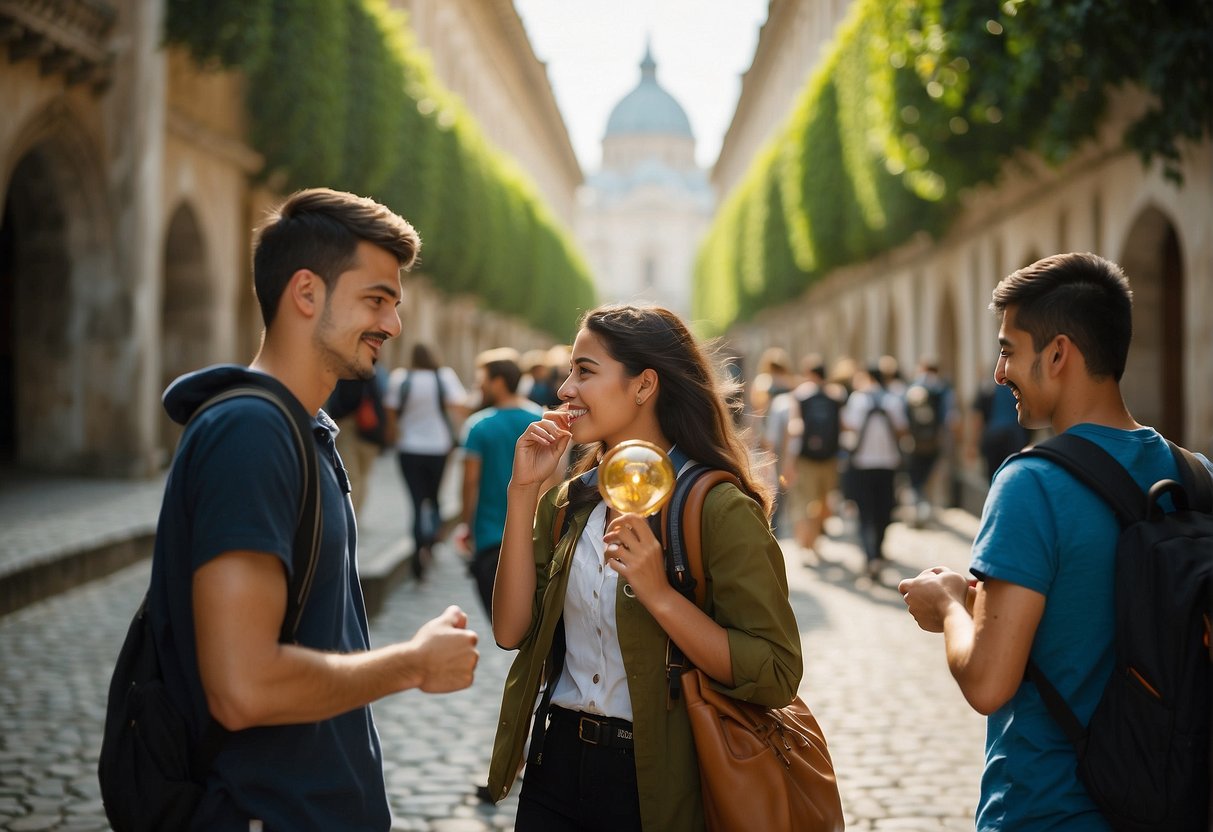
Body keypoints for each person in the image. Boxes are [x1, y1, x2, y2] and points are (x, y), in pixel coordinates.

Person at [151, 187, 479, 830]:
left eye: (394, 304)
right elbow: (242, 686)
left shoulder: (302, 430)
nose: (393, 324)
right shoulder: (252, 434)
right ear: (306, 293)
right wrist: (412, 663)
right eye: (376, 300)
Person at [898, 252, 1213, 830]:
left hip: (1048, 808)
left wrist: (946, 604)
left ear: (1059, 353)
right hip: (1176, 803)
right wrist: (985, 606)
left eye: (1008, 349)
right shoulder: (1196, 475)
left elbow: (990, 682)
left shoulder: (1031, 484)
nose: (998, 373)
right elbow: (1117, 605)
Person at [487, 304, 803, 831]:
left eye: (585, 372)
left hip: (659, 779)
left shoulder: (718, 508)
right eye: (570, 372)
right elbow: (509, 629)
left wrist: (660, 595)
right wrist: (523, 494)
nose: (565, 389)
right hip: (554, 768)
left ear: (643, 385)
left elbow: (775, 672)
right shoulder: (572, 500)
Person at [457, 350, 543, 616]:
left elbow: (470, 482)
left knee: (500, 621)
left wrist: (466, 524)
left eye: (482, 378)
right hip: (533, 534)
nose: (478, 385)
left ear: (498, 382)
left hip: (489, 535)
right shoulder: (541, 419)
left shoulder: (479, 426)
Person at [384, 343, 468, 582]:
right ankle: (430, 542)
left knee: (416, 499)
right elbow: (460, 407)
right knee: (434, 497)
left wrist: (396, 433)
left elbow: (389, 411)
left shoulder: (401, 378)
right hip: (438, 448)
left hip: (408, 448)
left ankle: (418, 541)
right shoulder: (443, 377)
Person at [841, 364, 908, 579]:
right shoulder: (893, 400)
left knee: (865, 511)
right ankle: (878, 551)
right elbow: (902, 429)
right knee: (884, 510)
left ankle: (870, 556)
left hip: (862, 463)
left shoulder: (858, 400)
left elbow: (849, 426)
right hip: (888, 462)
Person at [782, 355, 844, 559]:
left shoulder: (800, 396)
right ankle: (814, 540)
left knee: (804, 500)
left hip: (807, 458)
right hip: (830, 458)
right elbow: (843, 426)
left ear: (809, 374)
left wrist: (789, 461)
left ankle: (804, 541)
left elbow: (795, 428)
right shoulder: (836, 395)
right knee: (823, 500)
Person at [323, 366, 389, 514]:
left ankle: (353, 516)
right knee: (362, 477)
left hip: (351, 427)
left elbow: (343, 402)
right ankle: (356, 515)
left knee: (352, 477)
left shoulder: (348, 371)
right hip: (371, 431)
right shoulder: (375, 374)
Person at [902, 357, 957, 526]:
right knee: (929, 476)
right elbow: (951, 418)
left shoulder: (913, 388)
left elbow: (903, 415)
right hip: (935, 441)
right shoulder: (943, 389)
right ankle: (928, 509)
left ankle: (917, 510)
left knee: (915, 478)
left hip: (914, 442)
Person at [968, 377, 1029, 481]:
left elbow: (978, 418)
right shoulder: (1019, 386)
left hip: (993, 436)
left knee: (994, 478)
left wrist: (973, 444)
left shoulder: (987, 387)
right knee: (1014, 475)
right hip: (1013, 437)